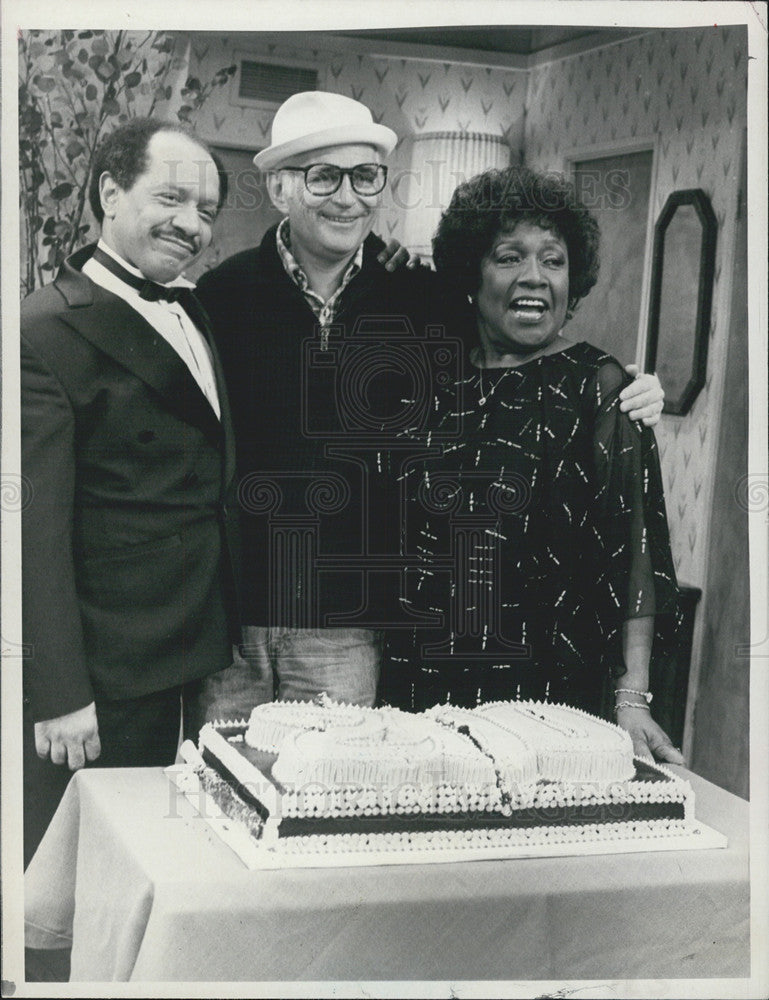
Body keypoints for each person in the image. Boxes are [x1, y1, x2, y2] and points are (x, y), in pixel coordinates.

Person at [194, 91, 664, 720]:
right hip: (235, 619)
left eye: (365, 177)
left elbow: (530, 352)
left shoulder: (418, 297)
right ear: (280, 189)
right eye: (323, 176)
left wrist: (634, 390)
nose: (347, 196)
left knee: (341, 800)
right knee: (221, 795)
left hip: (353, 628)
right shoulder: (218, 297)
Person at [380, 166, 683, 764]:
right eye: (509, 257)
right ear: (473, 274)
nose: (534, 278)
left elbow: (637, 552)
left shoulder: (601, 388)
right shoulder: (437, 381)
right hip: (421, 687)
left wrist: (633, 698)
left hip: (548, 698)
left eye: (553, 260)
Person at [21, 118, 241, 867]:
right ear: (110, 193)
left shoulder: (195, 309)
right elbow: (29, 529)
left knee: (151, 869)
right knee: (66, 889)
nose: (192, 224)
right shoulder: (41, 329)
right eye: (172, 198)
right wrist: (57, 691)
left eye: (207, 210)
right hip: (100, 674)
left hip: (187, 654)